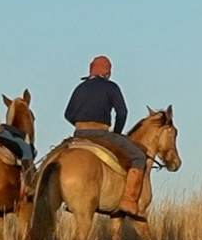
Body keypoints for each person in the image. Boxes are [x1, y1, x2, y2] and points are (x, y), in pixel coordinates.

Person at [63, 55, 149, 216]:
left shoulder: (80, 87)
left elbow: (67, 114)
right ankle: (129, 199)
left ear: (91, 70)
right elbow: (122, 112)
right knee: (139, 157)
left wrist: (81, 124)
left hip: (79, 134)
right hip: (101, 133)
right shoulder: (111, 87)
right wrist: (117, 133)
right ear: (108, 72)